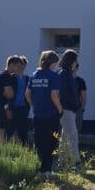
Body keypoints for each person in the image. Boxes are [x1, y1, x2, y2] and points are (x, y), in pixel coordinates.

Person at [25, 51, 62, 179]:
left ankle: (40, 170)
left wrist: (34, 105)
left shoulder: (34, 75)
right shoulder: (54, 76)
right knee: (51, 142)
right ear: (52, 63)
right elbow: (54, 95)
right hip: (51, 114)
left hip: (37, 115)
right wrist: (60, 108)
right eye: (56, 63)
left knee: (40, 143)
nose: (56, 66)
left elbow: (27, 94)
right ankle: (47, 171)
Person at [0, 56, 21, 140]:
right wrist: (9, 93)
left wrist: (7, 108)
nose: (19, 69)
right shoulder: (4, 76)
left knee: (2, 129)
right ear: (11, 65)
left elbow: (8, 95)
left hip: (3, 106)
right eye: (18, 66)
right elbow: (9, 95)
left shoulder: (11, 77)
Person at [58, 49, 81, 166]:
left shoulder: (66, 74)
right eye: (75, 60)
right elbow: (62, 93)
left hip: (69, 109)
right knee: (72, 135)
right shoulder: (64, 74)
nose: (76, 63)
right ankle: (75, 160)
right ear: (71, 61)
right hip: (66, 109)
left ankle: (63, 159)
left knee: (65, 135)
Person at [7, 55, 30, 144]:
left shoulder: (27, 78)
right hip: (13, 107)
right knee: (10, 129)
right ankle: (6, 146)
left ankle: (24, 146)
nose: (22, 67)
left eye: (24, 65)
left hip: (23, 108)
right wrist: (9, 107)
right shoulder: (12, 77)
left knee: (23, 130)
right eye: (20, 65)